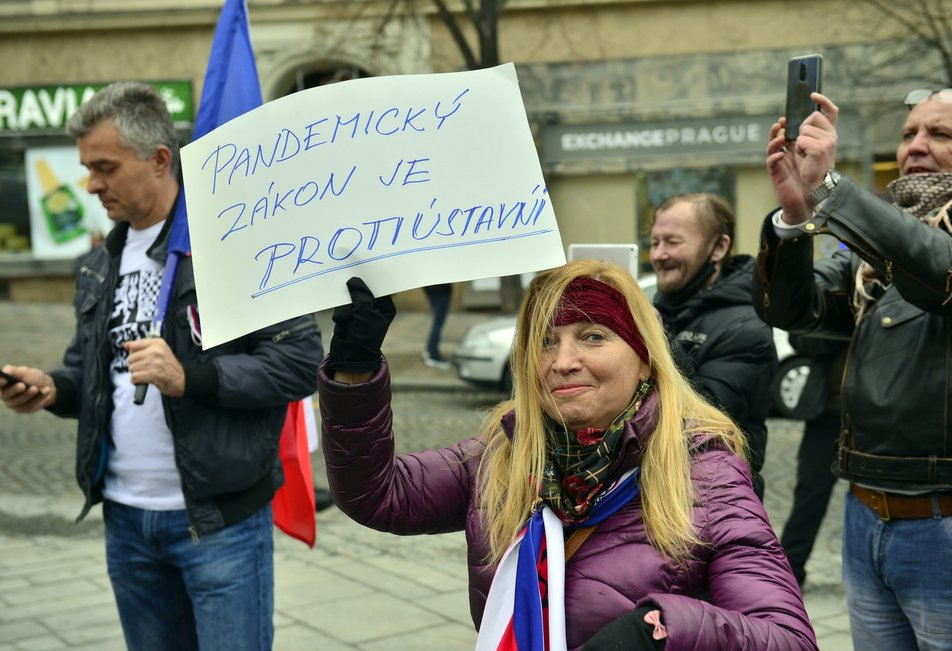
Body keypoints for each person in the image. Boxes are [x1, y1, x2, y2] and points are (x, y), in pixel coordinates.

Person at [318, 260, 816, 650]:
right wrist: (354, 370)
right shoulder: (505, 453)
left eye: (593, 336)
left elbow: (787, 638)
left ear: (644, 359)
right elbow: (376, 494)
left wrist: (659, 630)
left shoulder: (703, 470)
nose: (562, 361)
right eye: (546, 341)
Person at [0, 82, 323, 651]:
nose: (91, 184)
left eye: (104, 167)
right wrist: (54, 388)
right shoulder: (98, 263)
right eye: (86, 168)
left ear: (159, 160)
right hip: (126, 520)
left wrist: (189, 377)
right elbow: (92, 375)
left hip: (218, 521)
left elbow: (299, 364)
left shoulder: (235, 246)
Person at [753, 88, 952, 649]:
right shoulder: (885, 235)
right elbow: (795, 310)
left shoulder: (911, 235)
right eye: (908, 135)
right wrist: (794, 216)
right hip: (865, 516)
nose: (916, 147)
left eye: (941, 135)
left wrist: (832, 190)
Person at [649, 193, 778, 499]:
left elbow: (708, 419)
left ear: (719, 248)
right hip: (662, 496)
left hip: (713, 502)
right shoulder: (667, 309)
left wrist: (658, 339)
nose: (659, 254)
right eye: (654, 243)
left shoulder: (747, 326)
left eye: (673, 241)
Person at [778, 334, 847, 589]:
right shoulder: (835, 293)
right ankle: (789, 571)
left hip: (879, 413)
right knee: (809, 493)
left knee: (871, 499)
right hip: (828, 411)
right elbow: (799, 336)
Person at [421, 282, 453, 369]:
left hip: (431, 287)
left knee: (437, 320)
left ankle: (430, 350)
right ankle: (432, 354)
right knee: (438, 321)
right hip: (440, 289)